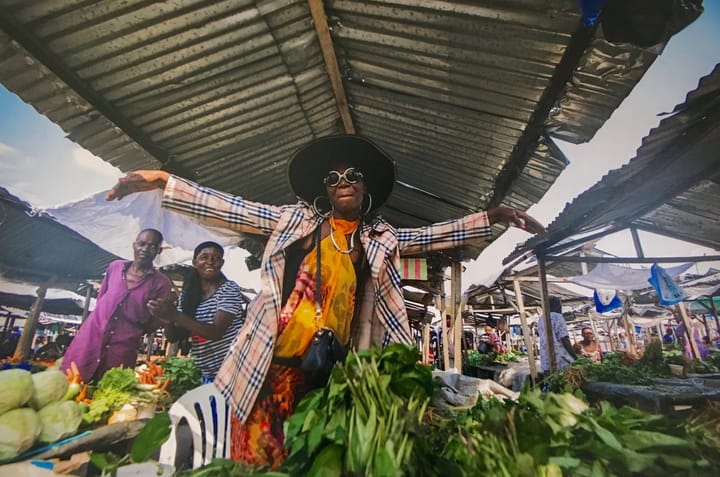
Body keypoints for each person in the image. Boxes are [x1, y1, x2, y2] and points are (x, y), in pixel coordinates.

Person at [107, 134, 545, 468]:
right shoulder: (296, 220)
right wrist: (165, 181)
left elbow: (431, 237)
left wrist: (493, 218)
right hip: (269, 363)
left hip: (329, 372)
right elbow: (232, 207)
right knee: (255, 459)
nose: (343, 183)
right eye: (334, 179)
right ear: (326, 190)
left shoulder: (380, 237)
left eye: (352, 176)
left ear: (364, 185)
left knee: (310, 457)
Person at [61, 229, 172, 383]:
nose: (145, 249)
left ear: (158, 251)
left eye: (152, 246)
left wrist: (131, 328)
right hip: (91, 340)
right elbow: (102, 300)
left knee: (109, 393)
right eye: (141, 244)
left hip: (122, 348)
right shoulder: (115, 267)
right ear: (134, 246)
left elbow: (154, 322)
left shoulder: (161, 284)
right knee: (71, 384)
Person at [148, 241, 249, 382]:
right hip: (203, 372)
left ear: (222, 263)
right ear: (195, 262)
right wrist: (168, 320)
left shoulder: (228, 289)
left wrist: (175, 315)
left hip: (231, 371)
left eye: (216, 258)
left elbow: (216, 332)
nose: (210, 262)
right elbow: (174, 337)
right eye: (204, 257)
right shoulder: (188, 295)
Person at [538, 296, 577, 374]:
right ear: (556, 306)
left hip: (546, 359)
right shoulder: (558, 317)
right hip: (559, 358)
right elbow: (564, 339)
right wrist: (575, 357)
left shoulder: (541, 318)